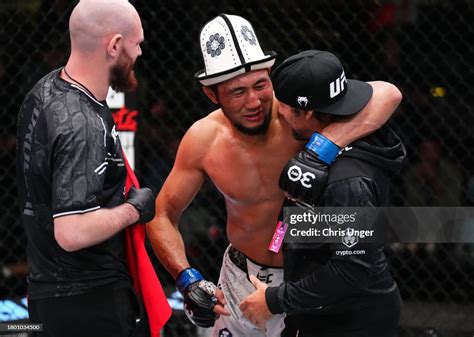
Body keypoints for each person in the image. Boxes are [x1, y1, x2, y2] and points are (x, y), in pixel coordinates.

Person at [147, 14, 402, 337]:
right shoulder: (203, 139)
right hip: (242, 276)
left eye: (260, 85)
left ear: (271, 74)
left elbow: (388, 94)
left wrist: (320, 149)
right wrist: (188, 279)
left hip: (309, 280)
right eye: (237, 92)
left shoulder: (299, 113)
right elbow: (162, 214)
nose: (254, 102)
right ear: (212, 94)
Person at [239, 50, 406, 337]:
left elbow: (351, 269)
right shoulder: (355, 129)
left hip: (353, 323)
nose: (279, 111)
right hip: (324, 312)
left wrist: (275, 300)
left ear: (308, 112)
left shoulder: (347, 181)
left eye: (286, 106)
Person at [16, 1, 157, 336]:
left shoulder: (45, 91)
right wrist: (133, 210)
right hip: (90, 305)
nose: (139, 53)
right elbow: (72, 232)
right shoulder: (81, 123)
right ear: (114, 45)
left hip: (47, 294)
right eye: (136, 43)